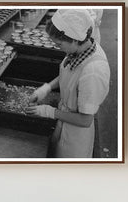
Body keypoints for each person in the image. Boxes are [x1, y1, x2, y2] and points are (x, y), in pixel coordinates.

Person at [25, 9, 110, 158]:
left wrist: (49, 111)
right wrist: (47, 88)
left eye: (59, 44)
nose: (58, 47)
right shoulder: (80, 50)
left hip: (76, 138)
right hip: (64, 123)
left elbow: (85, 120)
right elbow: (70, 75)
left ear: (75, 39)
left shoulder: (94, 71)